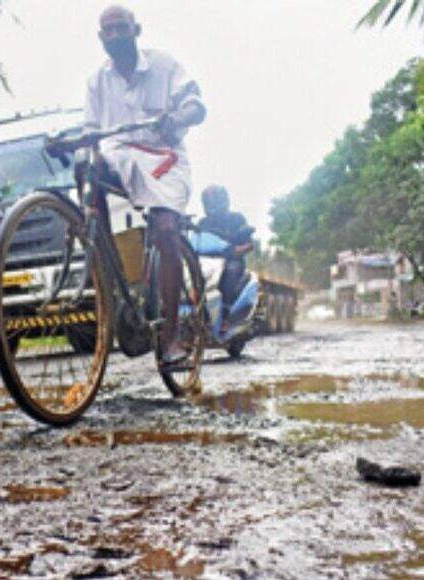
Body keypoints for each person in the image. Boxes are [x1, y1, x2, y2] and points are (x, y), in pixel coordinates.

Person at [83, 5, 207, 364]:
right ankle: (103, 262)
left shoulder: (164, 65)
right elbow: (91, 132)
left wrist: (178, 117)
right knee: (84, 164)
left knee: (165, 230)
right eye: (109, 31)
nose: (117, 36)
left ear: (137, 30)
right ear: (101, 38)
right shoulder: (96, 82)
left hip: (163, 157)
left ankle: (170, 335)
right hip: (120, 155)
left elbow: (196, 105)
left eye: (123, 28)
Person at [197, 185, 253, 322]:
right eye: (208, 201)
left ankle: (226, 311)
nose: (211, 204)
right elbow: (195, 241)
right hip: (205, 261)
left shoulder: (237, 219)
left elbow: (249, 244)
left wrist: (234, 251)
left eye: (214, 200)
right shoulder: (202, 223)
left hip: (230, 260)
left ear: (224, 200)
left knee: (231, 270)